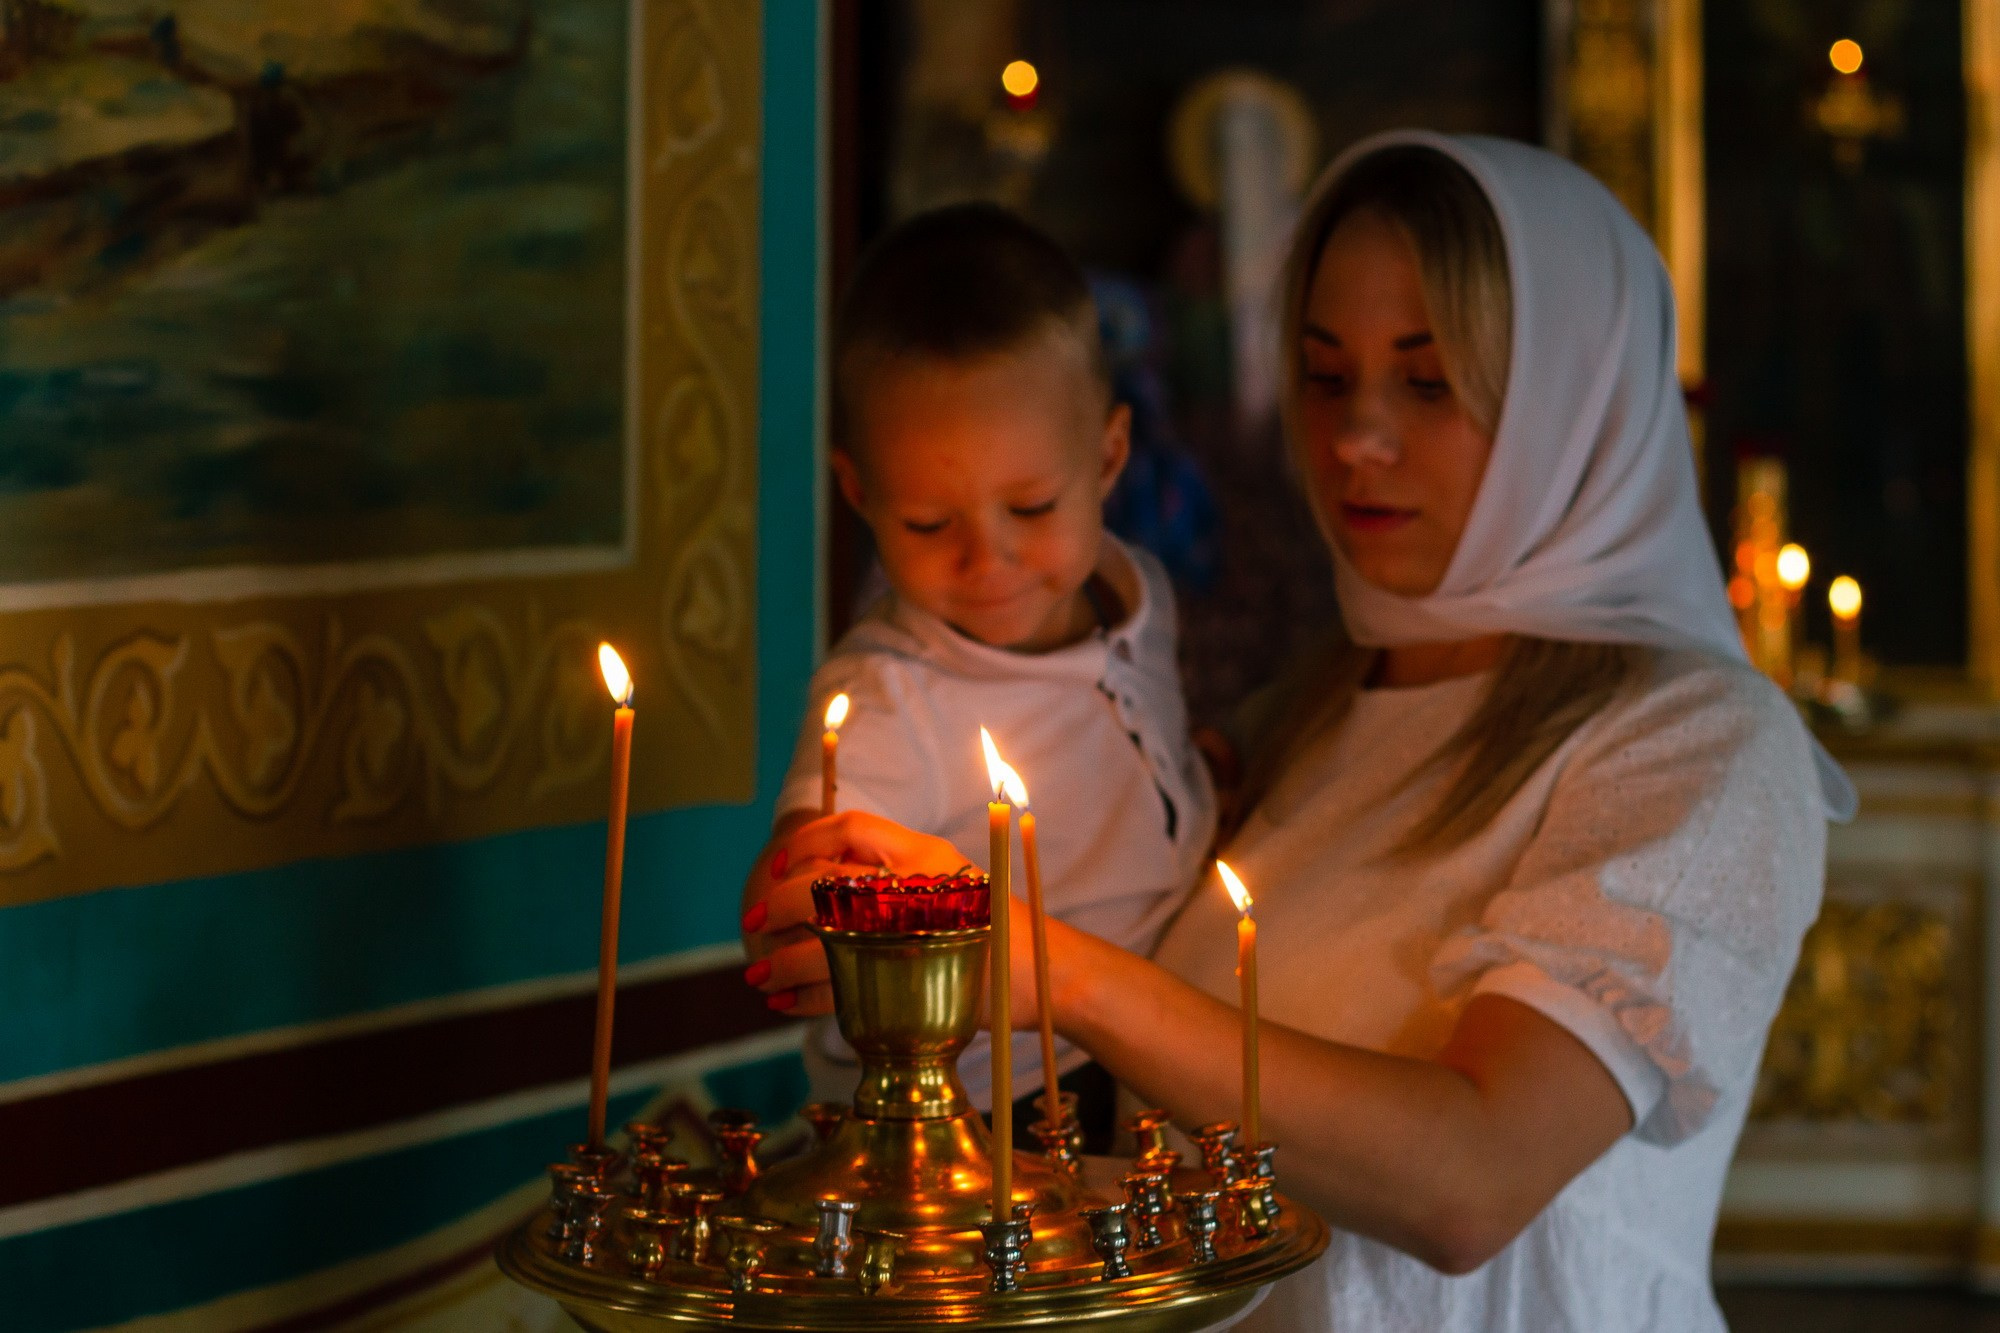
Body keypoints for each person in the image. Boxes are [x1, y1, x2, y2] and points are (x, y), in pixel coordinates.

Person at [749, 131, 1853, 1331]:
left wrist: (1038, 965)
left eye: (1425, 382)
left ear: (1573, 401)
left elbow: (1468, 1184)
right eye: (1326, 376)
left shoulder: (1697, 743)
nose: (1353, 439)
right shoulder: (1302, 713)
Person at [739, 203, 1216, 1145]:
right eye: (928, 523)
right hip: (994, 1106)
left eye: (1032, 506)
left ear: (1109, 457)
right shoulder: (888, 694)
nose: (987, 560)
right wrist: (800, 905)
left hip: (1156, 1043)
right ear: (859, 491)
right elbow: (800, 880)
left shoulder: (1139, 592)